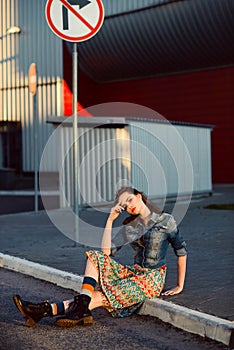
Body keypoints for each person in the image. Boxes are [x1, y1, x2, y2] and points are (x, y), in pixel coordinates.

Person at [13, 186, 187, 328]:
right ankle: (72, 309)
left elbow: (181, 251)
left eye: (130, 200)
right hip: (134, 274)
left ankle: (44, 310)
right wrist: (110, 220)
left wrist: (180, 285)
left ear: (139, 196)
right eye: (124, 205)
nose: (128, 206)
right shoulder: (130, 227)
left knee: (103, 295)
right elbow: (106, 253)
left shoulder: (166, 221)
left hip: (151, 279)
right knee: (94, 256)